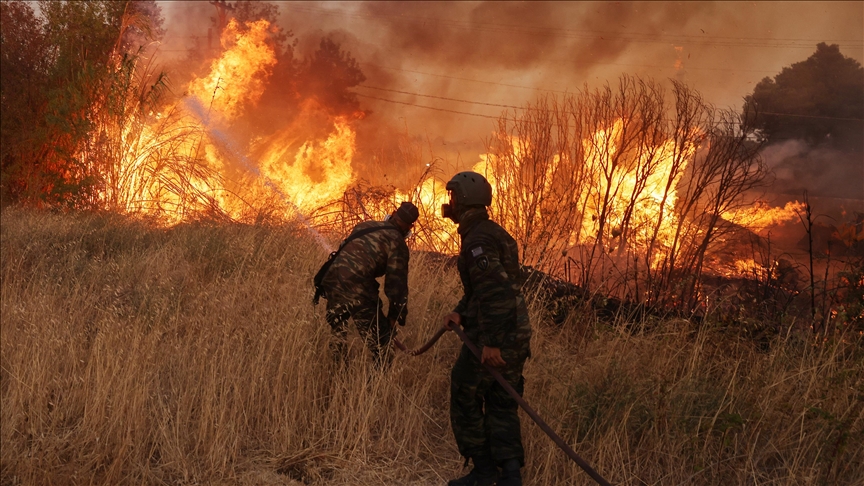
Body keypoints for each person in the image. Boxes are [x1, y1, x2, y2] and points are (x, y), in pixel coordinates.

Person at [440, 172, 532, 486]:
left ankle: (483, 472)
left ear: (463, 199)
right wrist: (459, 312)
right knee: (501, 400)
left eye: (453, 197)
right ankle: (510, 476)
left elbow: (496, 293)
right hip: (516, 332)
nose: (448, 203)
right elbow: (486, 290)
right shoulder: (490, 232)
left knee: (464, 391)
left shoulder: (477, 240)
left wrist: (492, 343)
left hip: (498, 335)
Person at [318, 201, 419, 368]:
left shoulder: (365, 225)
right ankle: (376, 391)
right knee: (382, 346)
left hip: (332, 281)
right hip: (358, 290)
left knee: (338, 335)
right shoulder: (398, 243)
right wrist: (395, 318)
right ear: (409, 227)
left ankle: (338, 379)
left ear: (392, 214)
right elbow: (396, 286)